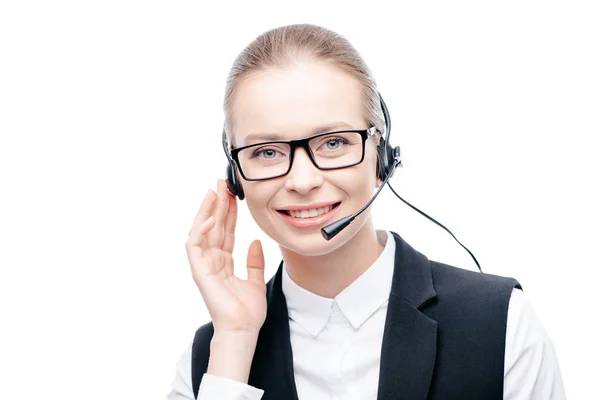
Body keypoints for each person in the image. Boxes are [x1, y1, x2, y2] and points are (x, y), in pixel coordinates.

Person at [167, 23, 565, 400]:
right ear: (235, 175)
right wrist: (235, 341)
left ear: (382, 157)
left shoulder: (502, 325)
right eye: (267, 152)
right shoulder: (210, 358)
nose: (302, 181)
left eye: (334, 142)